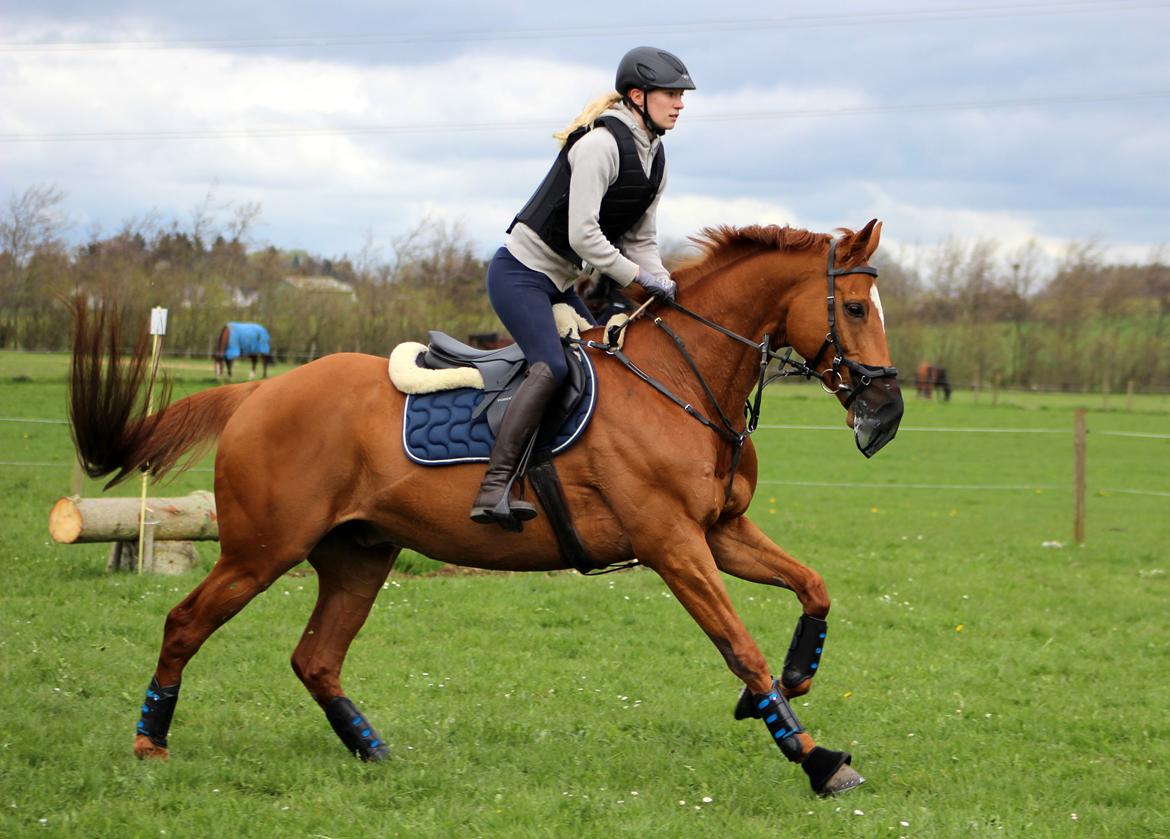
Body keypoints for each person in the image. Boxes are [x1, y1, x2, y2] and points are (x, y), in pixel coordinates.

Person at [469, 46, 695, 529]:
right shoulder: (600, 145)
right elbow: (583, 237)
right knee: (551, 366)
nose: (680, 104)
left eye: (682, 96)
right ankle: (495, 484)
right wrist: (640, 279)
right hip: (520, 275)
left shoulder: (655, 159)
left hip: (560, 284)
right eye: (671, 94)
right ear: (638, 96)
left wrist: (665, 284)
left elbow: (641, 241)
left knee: (606, 366)